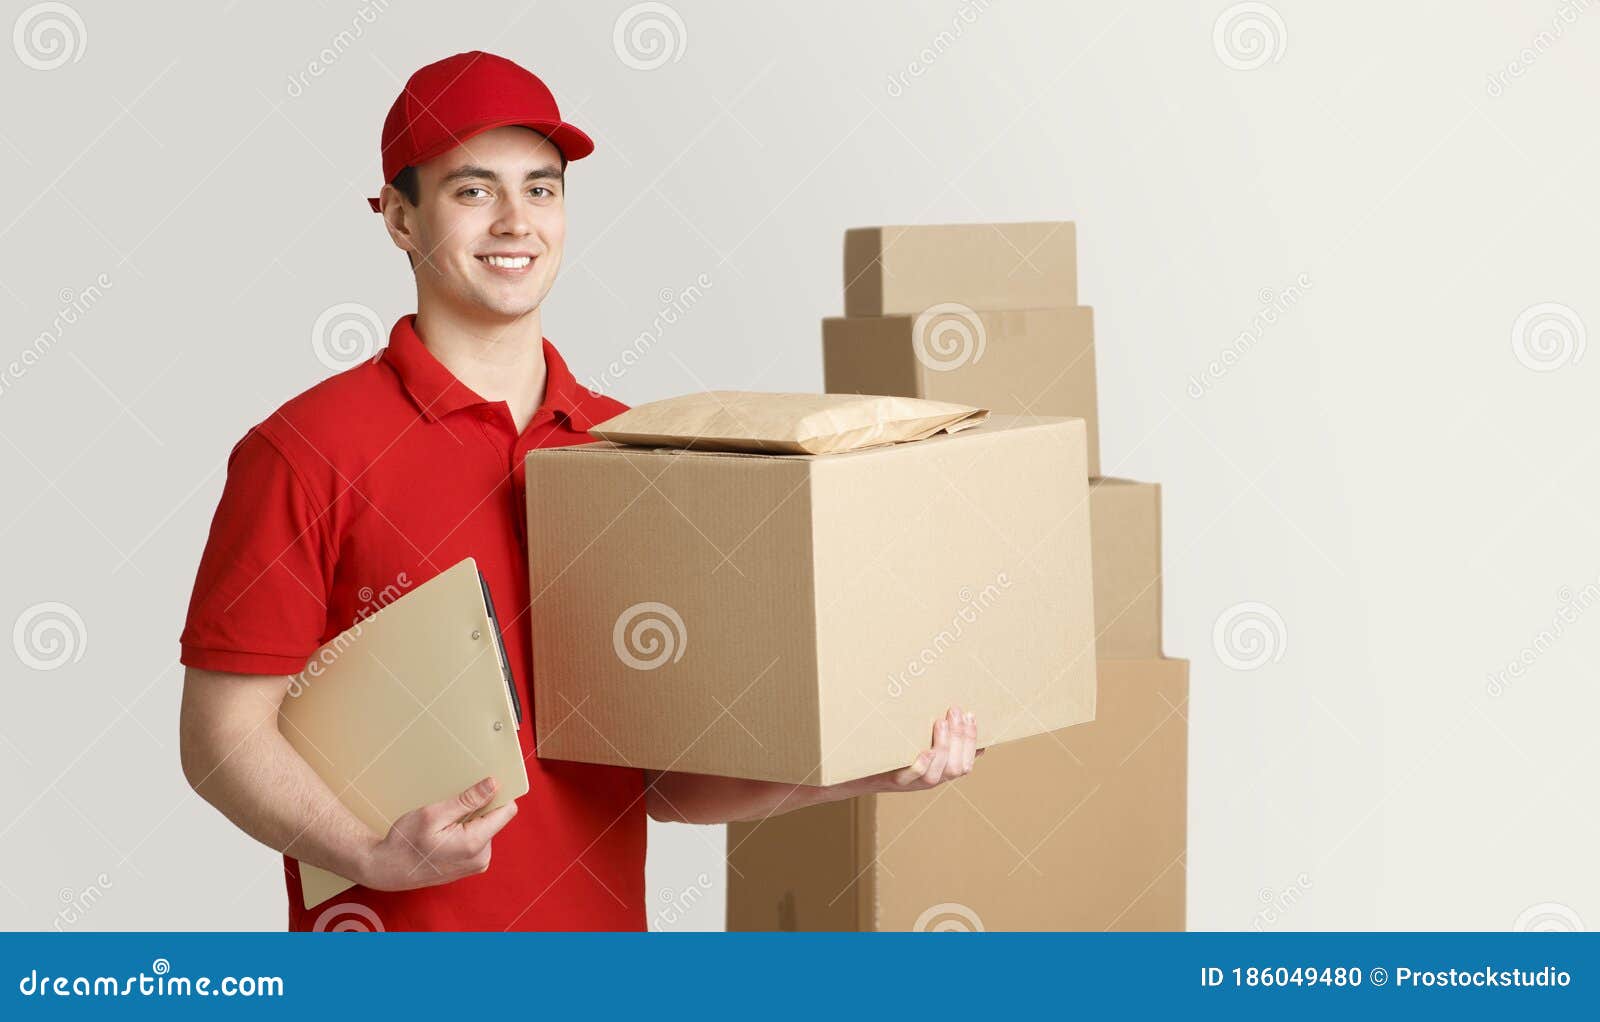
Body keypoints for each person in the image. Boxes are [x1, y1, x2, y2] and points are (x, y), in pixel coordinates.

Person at [176, 50, 980, 932]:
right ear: (401, 218)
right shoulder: (306, 451)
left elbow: (659, 780)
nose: (516, 221)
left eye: (542, 189)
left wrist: (856, 765)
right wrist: (369, 855)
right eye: (473, 190)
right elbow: (221, 738)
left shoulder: (633, 449)